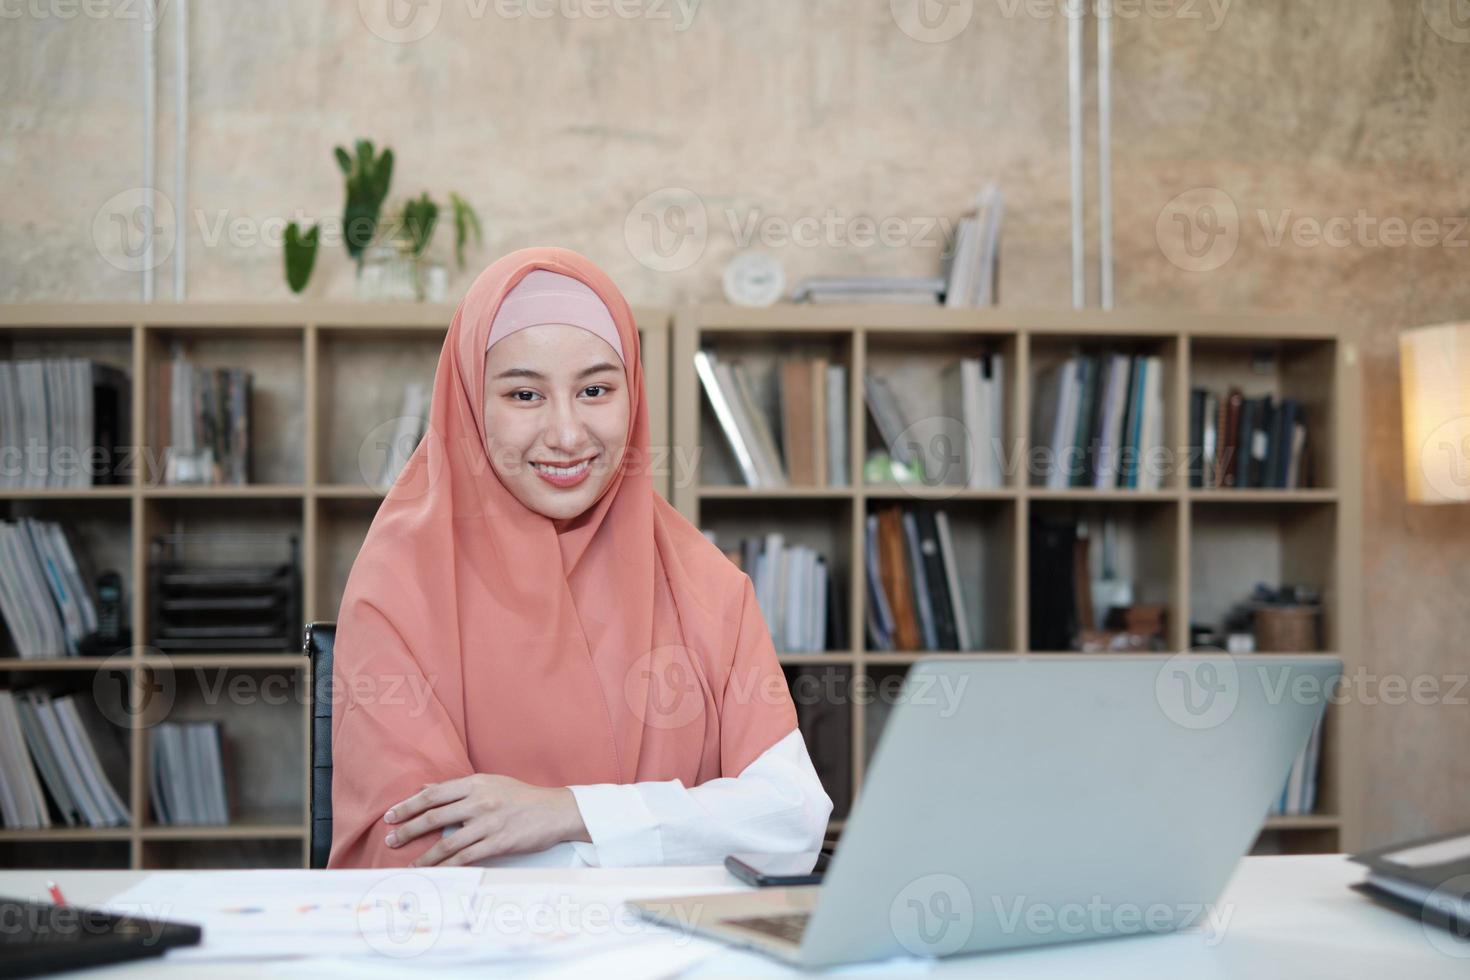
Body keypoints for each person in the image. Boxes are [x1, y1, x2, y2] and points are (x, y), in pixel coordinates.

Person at [328, 246, 833, 868]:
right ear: (469, 405)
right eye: (524, 395)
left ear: (634, 395)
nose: (567, 434)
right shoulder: (398, 586)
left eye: (595, 389)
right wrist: (672, 831)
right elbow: (418, 854)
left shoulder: (707, 584)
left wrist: (567, 812)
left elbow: (791, 821)